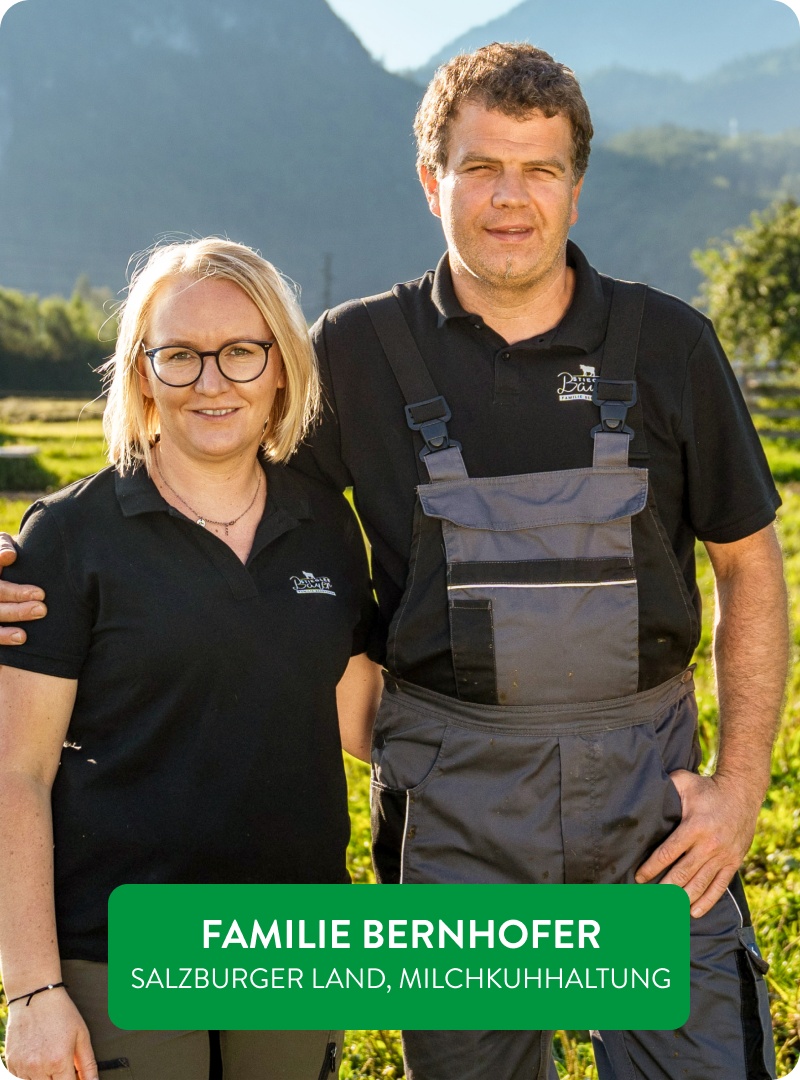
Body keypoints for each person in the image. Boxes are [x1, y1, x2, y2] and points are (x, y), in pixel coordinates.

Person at [0, 43, 789, 1080]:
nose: (510, 199)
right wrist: (38, 552)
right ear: (432, 180)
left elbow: (749, 566)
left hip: (646, 811)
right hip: (452, 815)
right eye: (480, 168)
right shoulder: (356, 355)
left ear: (575, 187)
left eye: (539, 169)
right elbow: (214, 463)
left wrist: (737, 790)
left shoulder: (669, 346)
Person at [0, 238, 383, 1080]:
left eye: (241, 352)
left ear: (280, 367)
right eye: (179, 356)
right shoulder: (68, 538)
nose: (212, 382)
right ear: (142, 374)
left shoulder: (325, 524)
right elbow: (14, 774)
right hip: (121, 945)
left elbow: (362, 720)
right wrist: (31, 991)